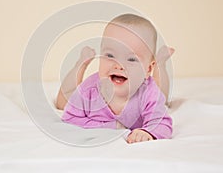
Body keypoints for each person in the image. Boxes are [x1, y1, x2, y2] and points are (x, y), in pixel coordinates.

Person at [57, 14, 174, 143]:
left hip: (149, 85)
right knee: (63, 103)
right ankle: (81, 63)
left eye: (131, 59)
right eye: (110, 55)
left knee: (162, 93)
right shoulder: (88, 90)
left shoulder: (149, 93)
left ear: (147, 69)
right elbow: (70, 118)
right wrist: (111, 126)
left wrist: (147, 132)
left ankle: (160, 64)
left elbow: (162, 123)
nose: (119, 65)